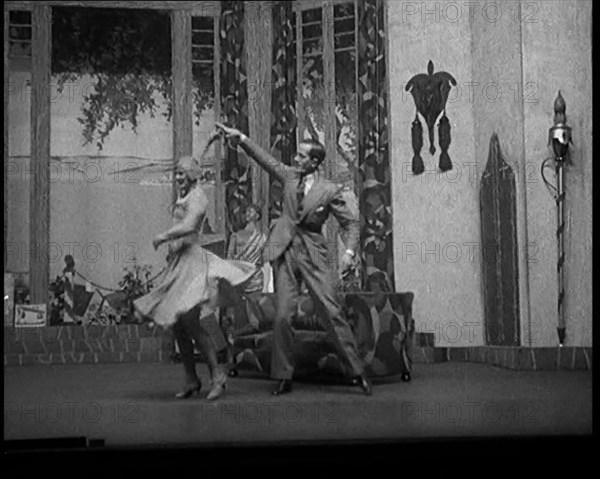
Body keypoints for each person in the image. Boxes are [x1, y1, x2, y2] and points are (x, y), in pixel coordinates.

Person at [216, 122, 372, 396]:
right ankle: (283, 376)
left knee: (332, 312)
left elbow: (352, 224)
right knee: (282, 317)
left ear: (314, 162)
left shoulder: (329, 190)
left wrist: (348, 253)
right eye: (297, 155)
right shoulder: (289, 176)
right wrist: (240, 138)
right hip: (284, 252)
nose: (296, 159)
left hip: (313, 254)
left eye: (302, 156)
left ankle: (357, 372)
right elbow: (264, 159)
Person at [133, 138, 257, 400]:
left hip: (193, 265)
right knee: (178, 325)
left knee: (193, 323)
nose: (177, 177)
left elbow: (190, 225)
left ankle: (218, 376)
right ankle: (191, 379)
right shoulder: (186, 193)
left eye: (182, 173)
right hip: (179, 263)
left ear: (191, 176)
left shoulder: (198, 197)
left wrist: (164, 235)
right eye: (176, 173)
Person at [222, 203, 268, 377]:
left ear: (257, 215)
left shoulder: (262, 239)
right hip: (237, 281)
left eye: (251, 211)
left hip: (255, 282)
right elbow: (228, 259)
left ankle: (253, 359)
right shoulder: (236, 236)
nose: (247, 213)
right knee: (231, 321)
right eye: (246, 211)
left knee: (255, 322)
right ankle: (231, 361)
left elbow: (265, 260)